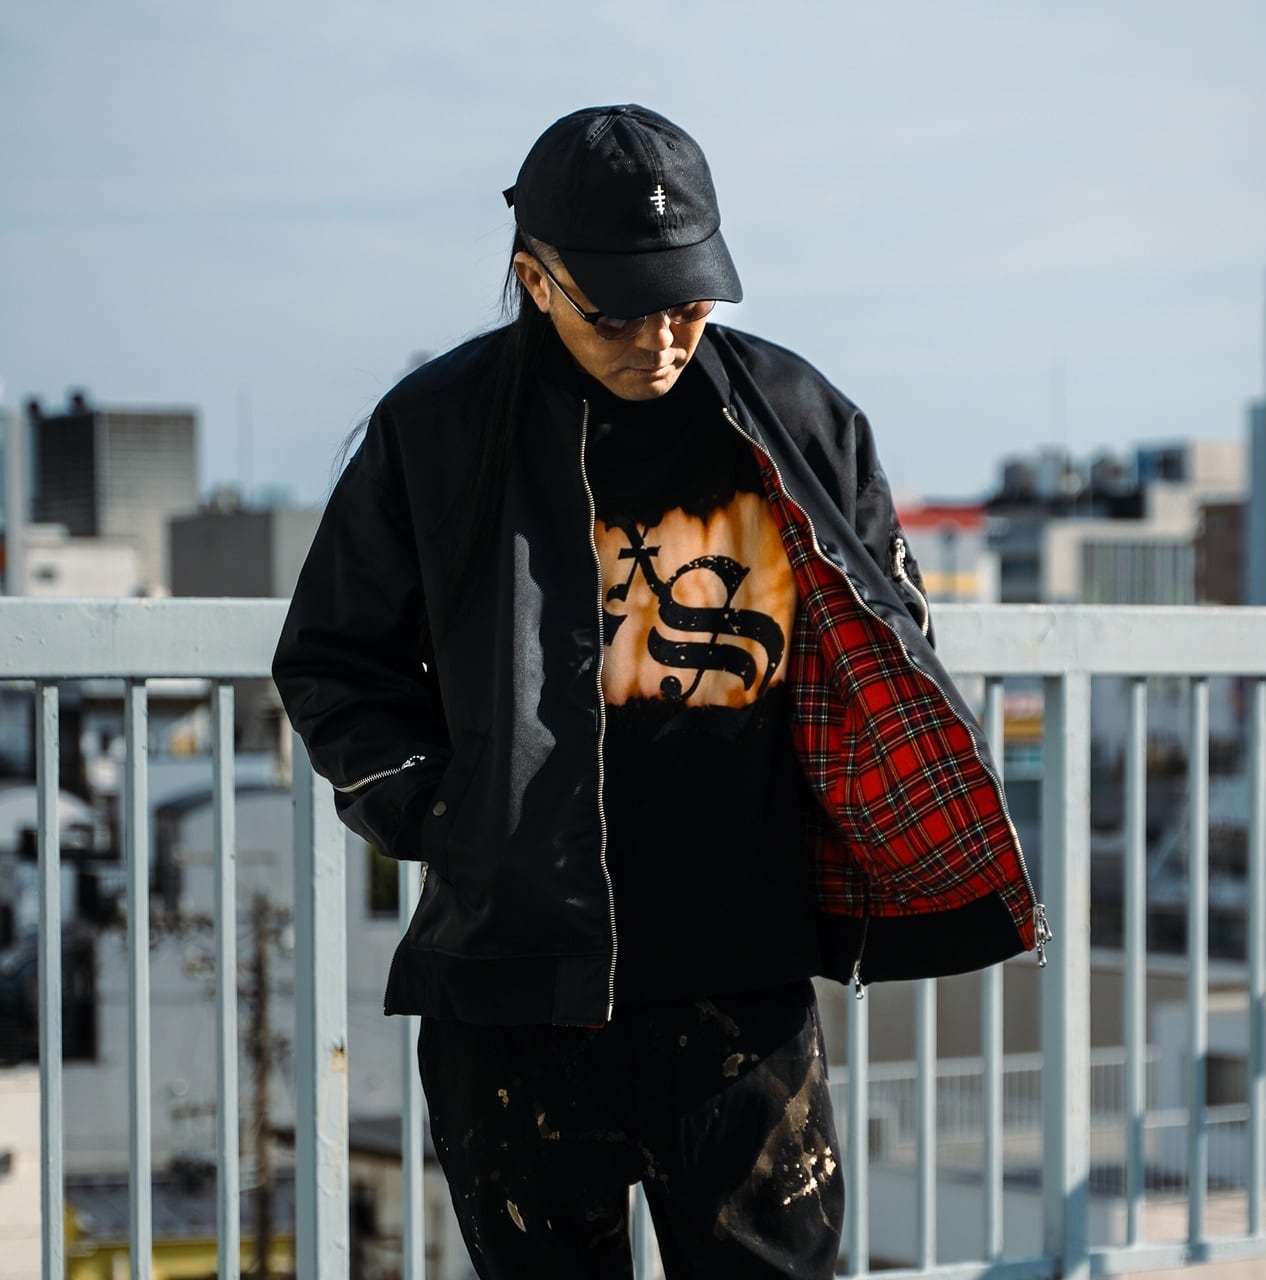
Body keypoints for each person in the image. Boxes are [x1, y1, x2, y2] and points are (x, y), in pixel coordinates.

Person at [274, 104, 1049, 1280]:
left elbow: (888, 624)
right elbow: (334, 660)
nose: (660, 336)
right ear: (534, 279)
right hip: (513, 983)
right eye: (620, 309)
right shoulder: (434, 432)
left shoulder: (796, 414)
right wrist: (442, 812)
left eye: (687, 302)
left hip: (743, 979)